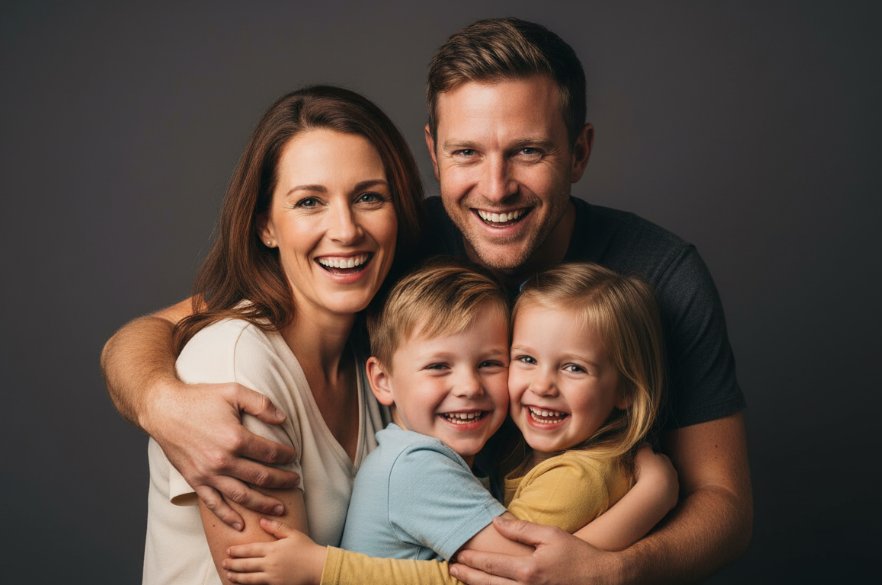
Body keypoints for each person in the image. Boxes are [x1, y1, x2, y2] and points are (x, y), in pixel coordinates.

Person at [102, 17, 752, 583]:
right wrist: (162, 401)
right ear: (435, 154)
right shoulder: (388, 247)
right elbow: (162, 330)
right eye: (467, 152)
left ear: (578, 152)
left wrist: (615, 571)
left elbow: (725, 502)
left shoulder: (660, 273)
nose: (496, 188)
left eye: (528, 151)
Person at [219, 260, 676, 585]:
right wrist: (656, 495)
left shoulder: (434, 458)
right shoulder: (419, 467)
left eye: (491, 363)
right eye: (439, 367)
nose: (469, 387)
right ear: (382, 380)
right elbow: (530, 572)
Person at [141, 85, 425, 585]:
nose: (346, 229)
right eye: (310, 202)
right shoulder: (235, 363)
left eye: (368, 197)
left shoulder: (379, 355)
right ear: (265, 226)